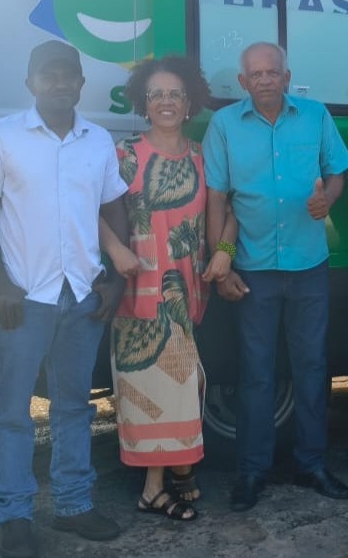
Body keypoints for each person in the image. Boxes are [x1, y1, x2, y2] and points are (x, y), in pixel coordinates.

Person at [0, 41, 130, 558]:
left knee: (72, 408)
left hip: (83, 295)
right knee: (12, 411)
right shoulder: (1, 137)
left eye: (70, 75)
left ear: (82, 83)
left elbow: (115, 206)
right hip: (24, 297)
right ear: (31, 82)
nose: (60, 82)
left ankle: (73, 503)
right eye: (48, 74)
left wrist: (115, 278)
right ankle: (14, 514)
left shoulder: (97, 140)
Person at [202, 41, 348, 512]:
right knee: (256, 374)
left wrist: (328, 199)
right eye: (256, 74)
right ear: (243, 83)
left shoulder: (315, 115)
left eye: (274, 72)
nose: (266, 79)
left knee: (312, 369)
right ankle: (252, 471)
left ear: (288, 78)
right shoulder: (224, 124)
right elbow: (216, 199)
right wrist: (219, 264)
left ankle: (311, 465)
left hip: (309, 265)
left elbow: (338, 174)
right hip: (252, 271)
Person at [97, 56, 236, 522]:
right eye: (156, 94)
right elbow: (87, 207)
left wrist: (224, 251)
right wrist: (115, 249)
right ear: (144, 102)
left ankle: (179, 468)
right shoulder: (125, 156)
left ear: (190, 101)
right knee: (147, 392)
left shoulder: (203, 156)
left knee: (184, 386)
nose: (166, 102)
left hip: (187, 293)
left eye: (175, 94)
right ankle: (154, 488)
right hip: (137, 293)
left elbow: (231, 212)